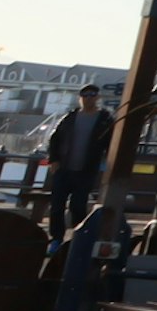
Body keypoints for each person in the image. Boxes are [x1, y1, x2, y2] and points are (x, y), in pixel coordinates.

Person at [43, 88, 111, 240]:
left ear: (97, 97)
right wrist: (54, 160)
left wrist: (107, 166)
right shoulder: (70, 117)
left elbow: (111, 143)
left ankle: (78, 238)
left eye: (92, 95)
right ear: (80, 98)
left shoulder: (104, 120)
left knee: (78, 206)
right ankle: (56, 238)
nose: (88, 98)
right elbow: (55, 139)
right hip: (64, 169)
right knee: (56, 206)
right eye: (85, 95)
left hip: (86, 171)